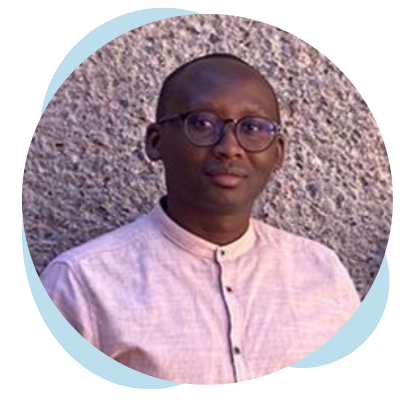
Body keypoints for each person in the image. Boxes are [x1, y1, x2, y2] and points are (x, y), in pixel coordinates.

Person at [40, 53, 360, 385]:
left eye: (252, 127)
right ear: (156, 142)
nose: (229, 148)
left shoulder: (323, 273)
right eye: (202, 123)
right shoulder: (81, 284)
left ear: (277, 152)